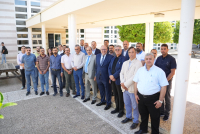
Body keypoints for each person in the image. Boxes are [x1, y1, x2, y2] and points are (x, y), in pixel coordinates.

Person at [133, 53, 168, 134]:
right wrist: (135, 94)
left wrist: (160, 101)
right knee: (143, 115)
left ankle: (155, 132)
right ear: (144, 60)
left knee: (155, 118)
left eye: (150, 58)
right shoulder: (140, 70)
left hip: (153, 98)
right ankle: (143, 129)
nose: (148, 60)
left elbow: (164, 87)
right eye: (147, 59)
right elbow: (136, 82)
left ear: (153, 59)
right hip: (141, 97)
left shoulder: (159, 71)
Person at [120, 47, 142, 129]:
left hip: (132, 88)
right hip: (124, 88)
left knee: (135, 106)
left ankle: (136, 121)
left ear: (135, 53)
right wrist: (122, 83)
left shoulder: (138, 63)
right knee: (127, 104)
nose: (131, 54)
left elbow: (135, 76)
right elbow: (121, 73)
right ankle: (128, 117)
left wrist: (125, 84)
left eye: (133, 52)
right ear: (128, 53)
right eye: (129, 52)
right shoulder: (125, 62)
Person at [155, 44, 176, 121]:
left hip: (167, 81)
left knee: (167, 97)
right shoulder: (158, 58)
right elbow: (156, 70)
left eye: (164, 49)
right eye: (162, 49)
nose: (163, 50)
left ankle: (167, 114)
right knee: (160, 96)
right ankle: (162, 112)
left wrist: (164, 81)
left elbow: (172, 72)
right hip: (158, 81)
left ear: (167, 50)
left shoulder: (172, 59)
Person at [108, 45, 126, 117]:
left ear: (121, 50)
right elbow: (109, 67)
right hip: (112, 79)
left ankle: (121, 110)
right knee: (115, 94)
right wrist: (110, 76)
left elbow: (121, 69)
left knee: (120, 95)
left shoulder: (123, 58)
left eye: (119, 49)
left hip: (118, 79)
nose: (117, 51)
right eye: (116, 50)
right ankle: (117, 108)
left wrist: (114, 76)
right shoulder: (113, 58)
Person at [96, 45, 113, 110]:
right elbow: (96, 66)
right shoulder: (97, 56)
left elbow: (111, 68)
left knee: (108, 91)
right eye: (102, 49)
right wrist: (96, 75)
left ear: (107, 50)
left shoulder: (111, 57)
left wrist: (109, 77)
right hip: (98, 76)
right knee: (101, 90)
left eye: (105, 49)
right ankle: (102, 101)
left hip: (106, 77)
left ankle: (108, 103)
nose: (103, 50)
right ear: (100, 50)